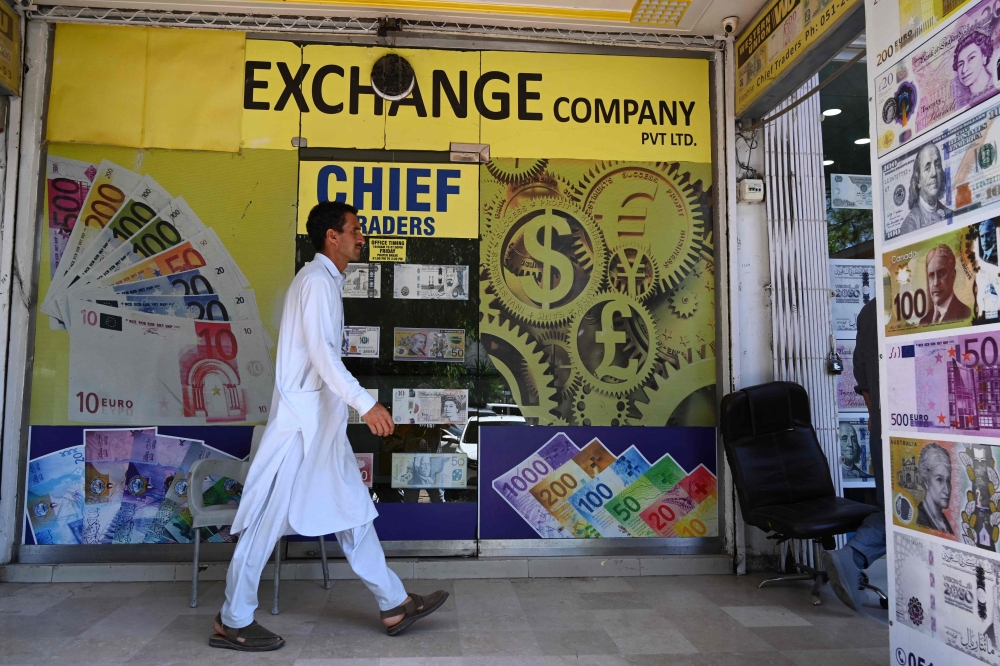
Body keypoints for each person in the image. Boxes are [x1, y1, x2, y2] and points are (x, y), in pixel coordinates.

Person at [211, 201, 447, 651]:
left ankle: (395, 603)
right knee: (264, 523)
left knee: (353, 512)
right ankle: (233, 619)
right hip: (301, 430)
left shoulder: (325, 282)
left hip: (322, 427)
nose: (362, 237)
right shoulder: (317, 282)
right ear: (331, 237)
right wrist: (367, 404)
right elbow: (323, 356)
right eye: (354, 229)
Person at [822, 299, 886, 612]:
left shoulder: (871, 309)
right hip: (926, 428)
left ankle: (853, 556)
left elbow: (861, 372)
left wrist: (876, 415)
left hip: (884, 423)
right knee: (917, 511)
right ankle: (854, 555)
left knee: (897, 507)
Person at [900, 144, 952, 236]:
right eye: (927, 168)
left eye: (937, 165)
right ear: (918, 180)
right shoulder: (911, 225)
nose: (934, 173)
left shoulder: (950, 214)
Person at [919, 244, 972, 325]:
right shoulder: (923, 322)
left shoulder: (967, 314)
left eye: (941, 273)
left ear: (953, 275)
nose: (935, 283)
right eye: (931, 275)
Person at [914, 442, 955, 535]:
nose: (947, 490)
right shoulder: (918, 519)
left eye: (948, 480)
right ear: (926, 481)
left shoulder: (943, 522)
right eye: (939, 480)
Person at [954, 31, 996, 108]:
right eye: (960, 64)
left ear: (984, 56)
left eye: (971, 58)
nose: (964, 70)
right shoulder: (960, 104)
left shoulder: (996, 84)